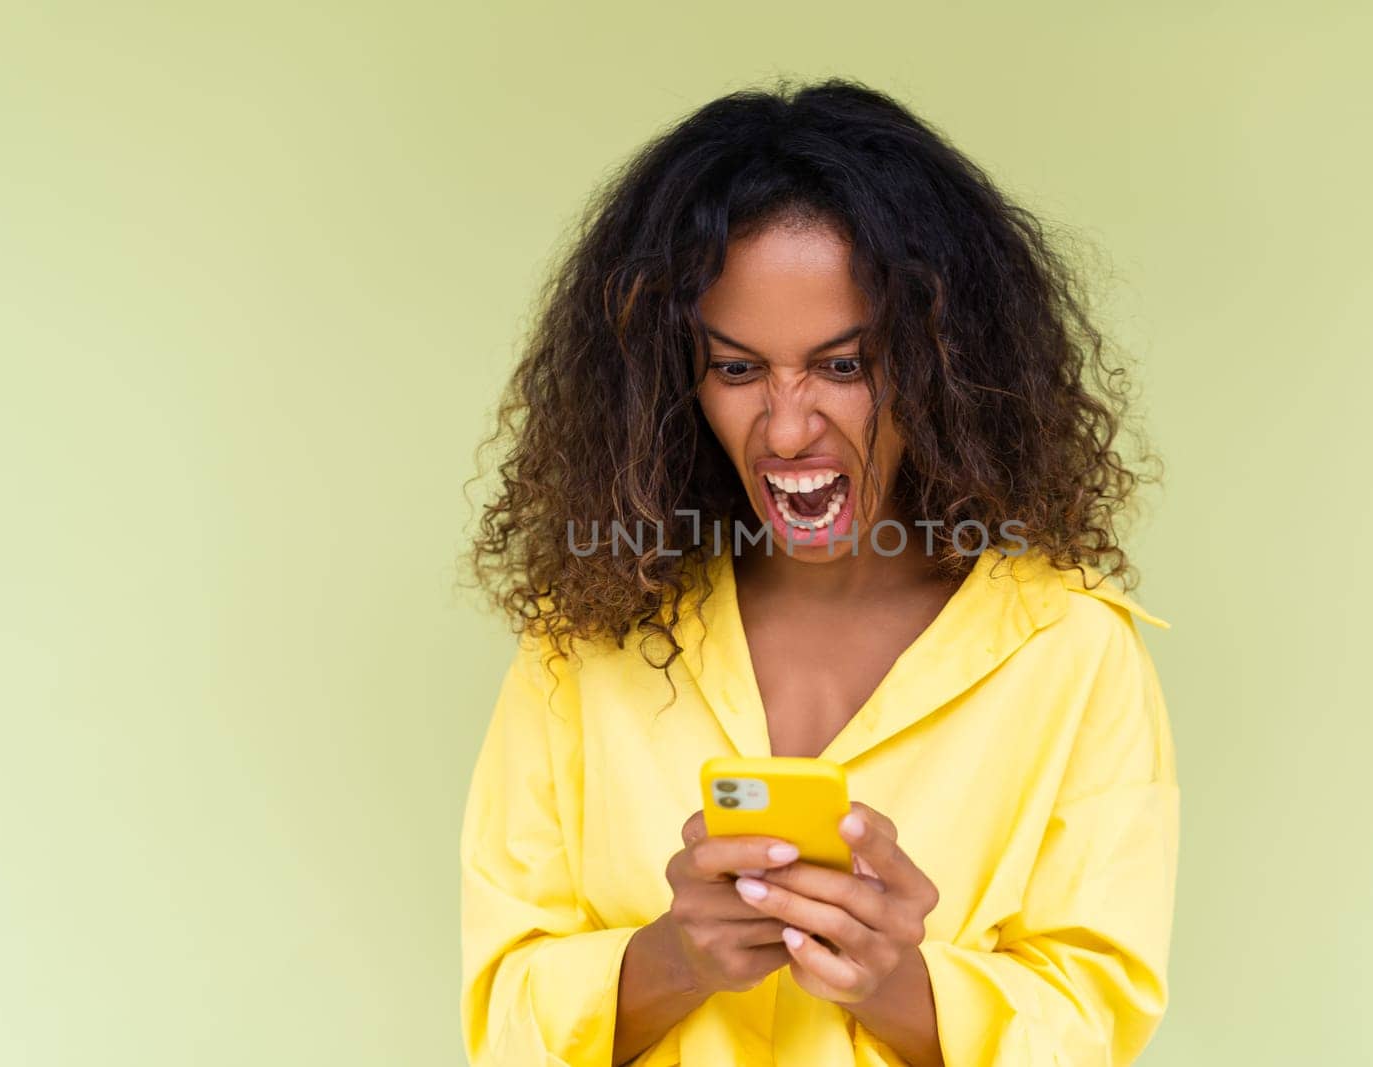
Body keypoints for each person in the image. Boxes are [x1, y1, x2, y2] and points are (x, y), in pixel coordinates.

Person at [459, 77, 1179, 1067]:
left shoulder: (1071, 651)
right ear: (675, 383)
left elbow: (1093, 1025)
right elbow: (501, 1017)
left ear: (943, 362)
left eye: (845, 365)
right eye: (737, 367)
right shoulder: (581, 640)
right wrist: (675, 957)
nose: (789, 426)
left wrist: (898, 984)